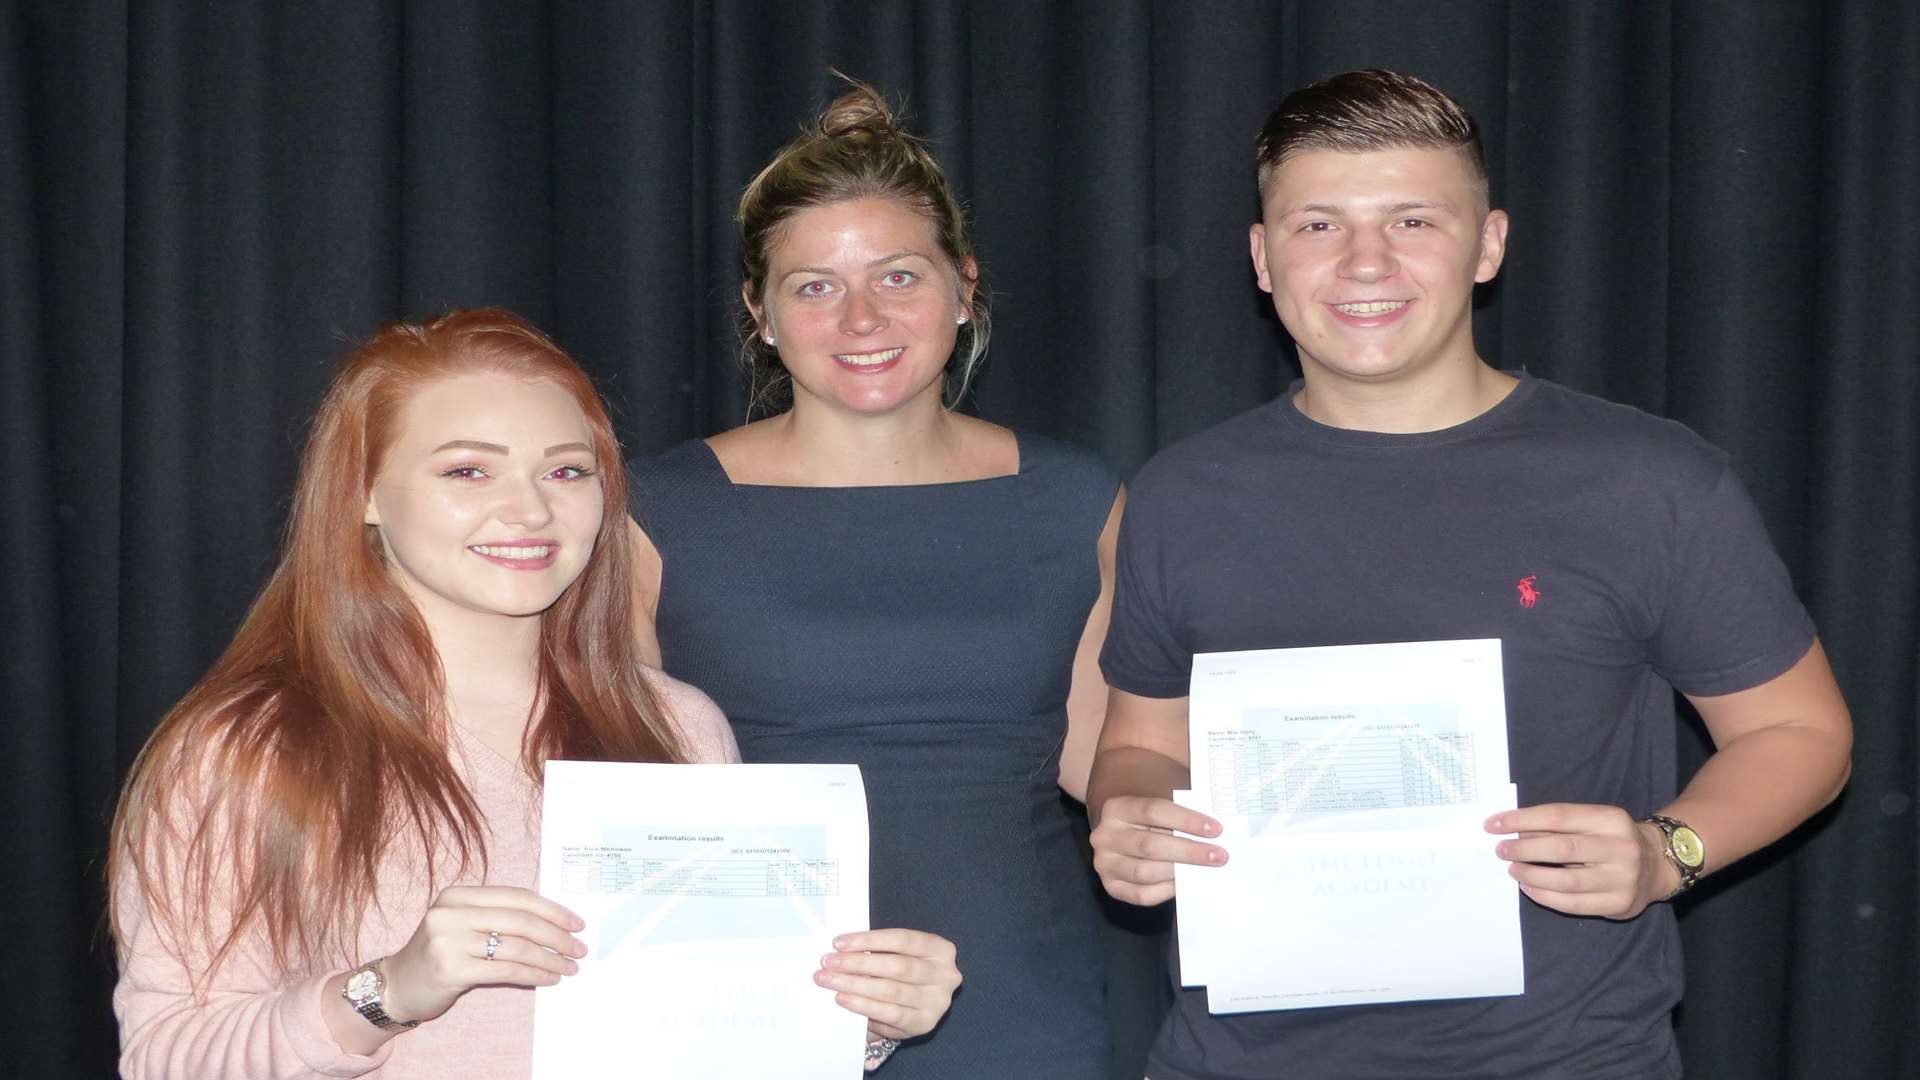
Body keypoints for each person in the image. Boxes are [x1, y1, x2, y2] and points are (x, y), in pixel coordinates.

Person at [1087, 69, 1853, 1079]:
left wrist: (1670, 853)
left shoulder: (1646, 483)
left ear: (1489, 243)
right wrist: (1131, 815)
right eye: (1318, 226)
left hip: (1567, 1058)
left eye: (1414, 220)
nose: (1367, 262)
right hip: (1235, 1060)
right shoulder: (1180, 495)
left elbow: (1801, 733)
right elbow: (1139, 740)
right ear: (1263, 258)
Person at [109, 308, 961, 1079]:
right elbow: (166, 1061)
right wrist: (389, 992)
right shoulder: (250, 750)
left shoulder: (676, 725)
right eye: (468, 473)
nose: (529, 511)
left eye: (565, 472)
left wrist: (860, 1019)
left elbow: (718, 1035)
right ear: (364, 494)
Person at [627, 83, 1123, 1078]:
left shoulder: (1077, 497)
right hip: (749, 1011)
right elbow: (617, 795)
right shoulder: (654, 511)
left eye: (898, 276)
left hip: (1020, 1007)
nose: (861, 319)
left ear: (964, 287)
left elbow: (1113, 759)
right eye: (813, 287)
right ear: (759, 314)